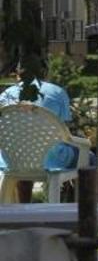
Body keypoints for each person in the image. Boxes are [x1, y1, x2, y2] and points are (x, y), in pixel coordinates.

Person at [0, 68, 77, 201]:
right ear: (46, 72)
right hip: (52, 161)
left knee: (23, 158)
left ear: (18, 75)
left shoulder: (5, 95)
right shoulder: (57, 92)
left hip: (13, 160)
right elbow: (65, 130)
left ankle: (24, 210)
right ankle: (82, 212)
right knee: (89, 157)